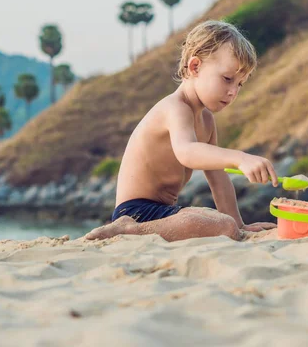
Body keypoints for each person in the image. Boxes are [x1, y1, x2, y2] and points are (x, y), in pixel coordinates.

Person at [85, 20, 278, 242]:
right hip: (135, 213)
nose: (233, 91)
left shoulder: (206, 119)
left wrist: (240, 223)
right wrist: (240, 158)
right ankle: (128, 230)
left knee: (223, 222)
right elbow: (187, 151)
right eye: (227, 79)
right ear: (195, 67)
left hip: (162, 213)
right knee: (223, 225)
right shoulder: (174, 108)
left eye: (240, 84)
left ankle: (229, 224)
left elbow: (217, 176)